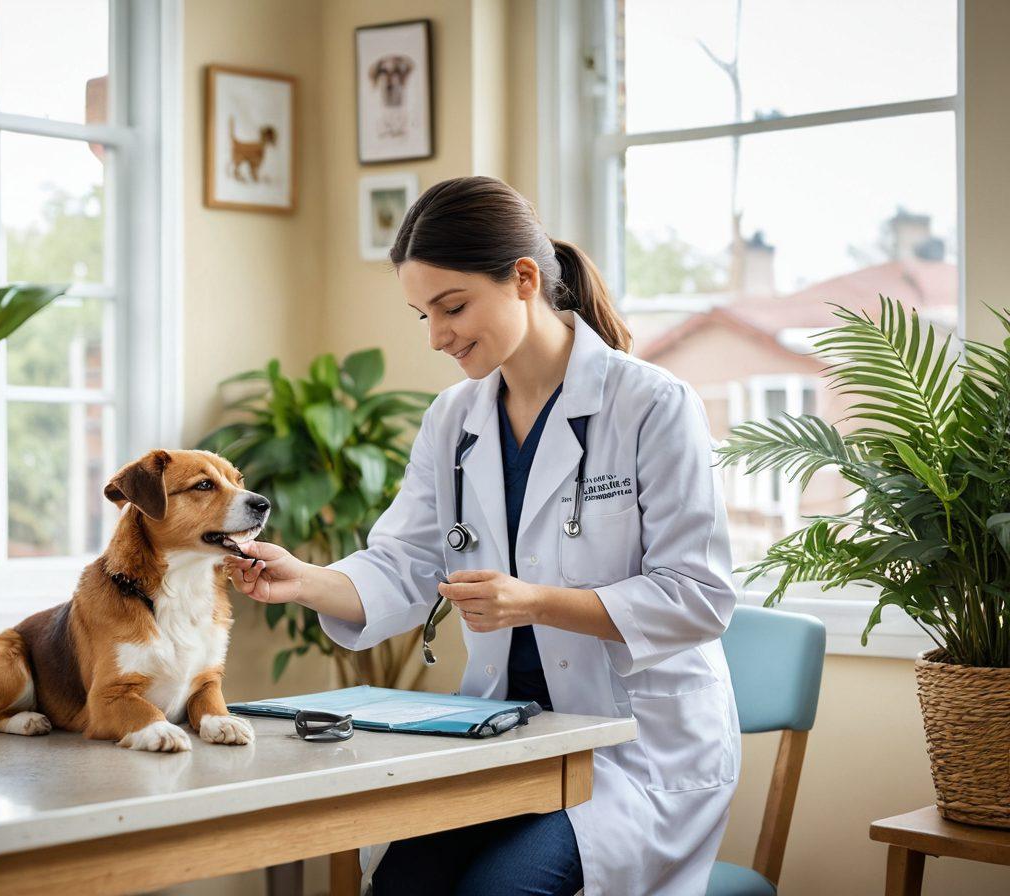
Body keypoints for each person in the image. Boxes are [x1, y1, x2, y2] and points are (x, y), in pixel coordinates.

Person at [225, 176, 740, 896]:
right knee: (400, 886)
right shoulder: (455, 419)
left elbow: (699, 597)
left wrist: (534, 601)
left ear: (524, 279)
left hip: (632, 751)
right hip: (508, 743)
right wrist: (302, 578)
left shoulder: (652, 405)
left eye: (453, 306)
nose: (437, 336)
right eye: (422, 314)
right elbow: (405, 562)